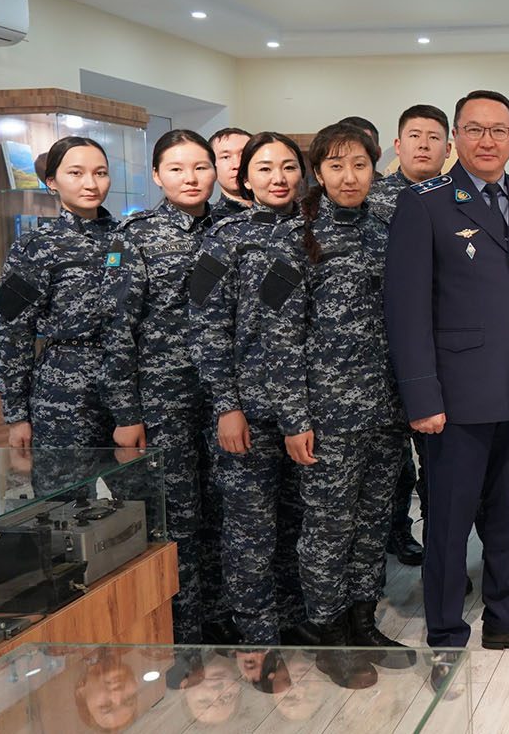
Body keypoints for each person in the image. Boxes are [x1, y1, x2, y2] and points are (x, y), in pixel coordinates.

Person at [384, 90, 509, 672]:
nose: (487, 141)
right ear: (456, 138)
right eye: (474, 129)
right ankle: (444, 628)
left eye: (499, 130)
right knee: (448, 521)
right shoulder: (425, 203)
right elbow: (406, 309)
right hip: (456, 397)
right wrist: (421, 395)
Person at [263, 122, 415, 689]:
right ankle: (328, 635)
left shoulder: (389, 228)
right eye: (335, 166)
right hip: (327, 416)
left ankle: (362, 623)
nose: (349, 177)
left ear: (375, 168)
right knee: (328, 527)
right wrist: (294, 418)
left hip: (386, 409)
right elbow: (279, 337)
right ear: (318, 173)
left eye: (359, 165)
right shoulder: (292, 237)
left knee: (373, 523)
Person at [189, 132, 311, 651]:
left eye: (288, 166)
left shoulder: (318, 229)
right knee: (250, 530)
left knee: (300, 525)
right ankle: (258, 637)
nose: (278, 178)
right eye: (264, 168)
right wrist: (226, 406)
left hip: (309, 409)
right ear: (244, 177)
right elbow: (207, 326)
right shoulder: (225, 238)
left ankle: (295, 620)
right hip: (250, 411)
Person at [103, 130, 222, 662]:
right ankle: (182, 634)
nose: (190, 178)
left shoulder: (231, 229)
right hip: (163, 400)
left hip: (224, 397)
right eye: (176, 168)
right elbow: (116, 331)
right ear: (156, 175)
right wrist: (126, 412)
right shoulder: (135, 236)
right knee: (176, 517)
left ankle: (221, 618)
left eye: (200, 166)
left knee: (225, 510)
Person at [0, 136, 119, 450]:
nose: (90, 183)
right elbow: (11, 332)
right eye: (76, 173)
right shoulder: (36, 246)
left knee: (140, 480)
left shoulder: (126, 238)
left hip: (130, 388)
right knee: (68, 482)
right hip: (64, 398)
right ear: (52, 181)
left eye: (100, 173)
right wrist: (16, 415)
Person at [369, 104, 453, 568]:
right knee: (390, 467)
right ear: (398, 146)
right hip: (375, 359)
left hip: (438, 357)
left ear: (448, 147)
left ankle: (445, 549)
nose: (424, 145)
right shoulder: (371, 200)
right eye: (415, 136)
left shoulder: (457, 199)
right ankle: (397, 533)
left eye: (433, 137)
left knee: (443, 465)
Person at [208, 128, 252, 224]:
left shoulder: (280, 209)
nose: (237, 164)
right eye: (226, 157)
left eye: (243, 155)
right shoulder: (210, 222)